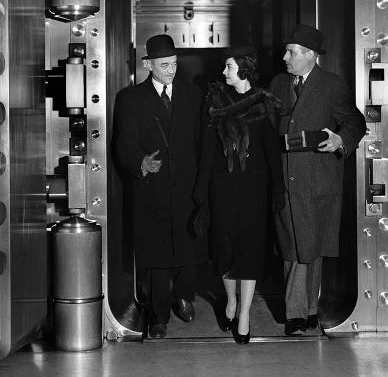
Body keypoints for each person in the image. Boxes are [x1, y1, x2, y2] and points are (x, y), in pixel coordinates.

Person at [270, 24, 367, 337]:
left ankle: (306, 311)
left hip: (317, 179)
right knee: (293, 248)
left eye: (292, 52)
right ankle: (298, 314)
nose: (285, 57)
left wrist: (340, 141)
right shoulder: (278, 83)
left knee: (310, 247)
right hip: (286, 178)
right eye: (287, 51)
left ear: (310, 55)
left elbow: (354, 121)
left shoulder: (332, 85)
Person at [113, 34, 207, 339]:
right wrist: (140, 163)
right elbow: (122, 144)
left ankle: (185, 296)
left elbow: (201, 143)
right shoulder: (130, 99)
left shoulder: (193, 96)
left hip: (186, 187)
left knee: (188, 246)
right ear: (148, 64)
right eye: (164, 65)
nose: (171, 70)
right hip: (150, 189)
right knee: (155, 254)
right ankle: (158, 314)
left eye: (174, 64)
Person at [194, 47, 285, 344]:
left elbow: (272, 150)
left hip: (254, 189)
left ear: (243, 70)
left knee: (250, 251)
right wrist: (201, 191)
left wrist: (278, 188)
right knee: (224, 250)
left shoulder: (263, 102)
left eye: (228, 67)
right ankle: (230, 300)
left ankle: (244, 313)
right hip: (222, 188)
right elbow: (206, 151)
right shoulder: (214, 101)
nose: (223, 72)